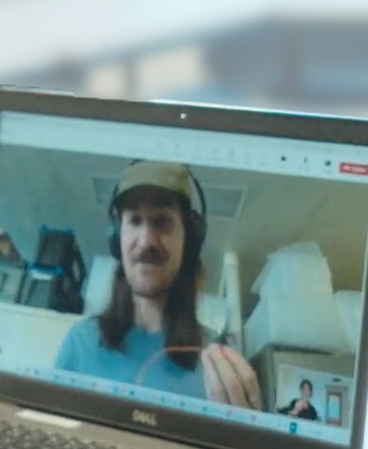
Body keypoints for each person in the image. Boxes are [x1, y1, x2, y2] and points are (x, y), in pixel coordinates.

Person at [54, 161, 262, 409]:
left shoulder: (218, 365)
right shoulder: (80, 342)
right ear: (117, 237)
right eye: (134, 220)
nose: (146, 241)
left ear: (189, 241)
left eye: (162, 221)